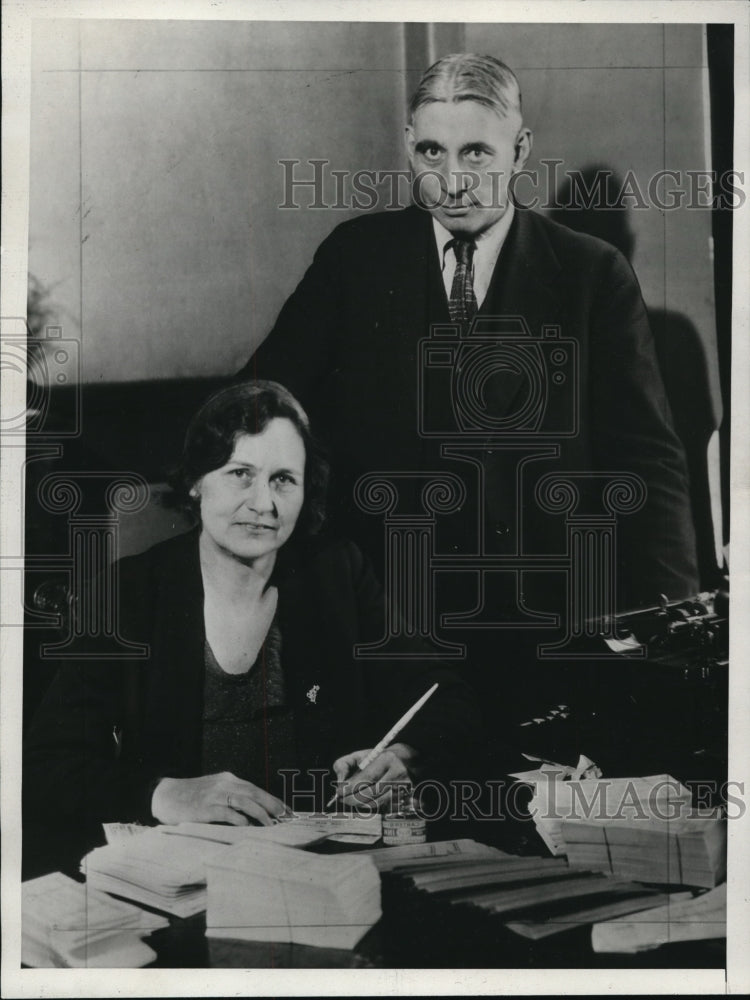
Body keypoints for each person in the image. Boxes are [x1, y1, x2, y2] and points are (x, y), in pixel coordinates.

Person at [238, 53, 699, 621]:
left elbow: (646, 462)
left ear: (521, 150)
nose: (452, 182)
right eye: (433, 152)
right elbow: (257, 404)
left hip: (546, 616)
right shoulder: (353, 258)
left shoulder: (593, 274)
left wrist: (673, 620)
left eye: (476, 152)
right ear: (410, 145)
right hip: (385, 611)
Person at [23, 381, 477, 857]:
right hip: (185, 871)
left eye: (284, 479)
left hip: (321, 862)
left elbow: (446, 697)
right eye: (241, 473)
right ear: (197, 482)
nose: (264, 504)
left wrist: (406, 756)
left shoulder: (337, 573)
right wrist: (165, 793)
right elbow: (44, 766)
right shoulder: (130, 592)